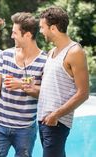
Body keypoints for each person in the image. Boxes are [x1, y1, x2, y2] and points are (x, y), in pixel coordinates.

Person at [0, 12, 47, 157]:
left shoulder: (45, 61)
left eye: (15, 33)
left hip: (25, 129)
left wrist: (22, 85)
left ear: (27, 35)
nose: (11, 36)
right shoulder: (6, 55)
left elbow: (45, 92)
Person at [38, 6, 89, 157]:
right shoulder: (52, 52)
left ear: (53, 28)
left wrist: (56, 115)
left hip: (57, 122)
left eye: (42, 27)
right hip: (43, 120)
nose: (41, 31)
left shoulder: (75, 52)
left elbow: (83, 93)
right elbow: (49, 88)